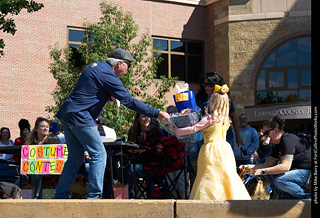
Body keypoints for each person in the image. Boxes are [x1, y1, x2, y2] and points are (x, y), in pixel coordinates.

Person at [55, 48, 171, 200]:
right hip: (80, 116)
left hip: (67, 114)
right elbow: (130, 102)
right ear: (119, 63)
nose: (128, 70)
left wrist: (107, 96)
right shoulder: (108, 75)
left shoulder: (95, 66)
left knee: (75, 158)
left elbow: (89, 91)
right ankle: (94, 197)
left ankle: (61, 195)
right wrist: (157, 113)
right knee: (99, 154)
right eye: (128, 65)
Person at [173, 84, 251, 200]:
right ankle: (229, 197)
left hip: (211, 150)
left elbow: (194, 128)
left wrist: (178, 131)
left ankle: (210, 199)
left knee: (209, 175)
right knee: (225, 175)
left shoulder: (210, 118)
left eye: (210, 100)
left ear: (214, 102)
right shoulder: (226, 120)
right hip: (224, 150)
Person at [252, 115, 311, 199]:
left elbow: (285, 167)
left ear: (275, 130)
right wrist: (247, 168)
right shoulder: (278, 144)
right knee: (274, 173)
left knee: (280, 180)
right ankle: (287, 200)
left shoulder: (287, 139)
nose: (265, 137)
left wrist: (262, 171)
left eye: (266, 133)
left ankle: (308, 197)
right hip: (299, 174)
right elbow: (266, 165)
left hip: (309, 174)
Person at [127, 112, 164, 199]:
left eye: (148, 116)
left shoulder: (155, 131)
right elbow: (129, 146)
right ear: (138, 119)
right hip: (137, 162)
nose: (147, 119)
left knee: (131, 169)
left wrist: (145, 150)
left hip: (152, 164)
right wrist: (130, 150)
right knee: (120, 168)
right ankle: (125, 196)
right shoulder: (133, 131)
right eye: (144, 116)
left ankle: (132, 197)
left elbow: (160, 150)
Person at [24, 117, 61, 198]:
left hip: (50, 170)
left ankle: (35, 196)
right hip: (31, 169)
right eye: (43, 126)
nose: (45, 128)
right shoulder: (30, 143)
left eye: (47, 127)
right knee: (23, 176)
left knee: (37, 172)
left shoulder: (54, 142)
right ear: (36, 129)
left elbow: (58, 159)